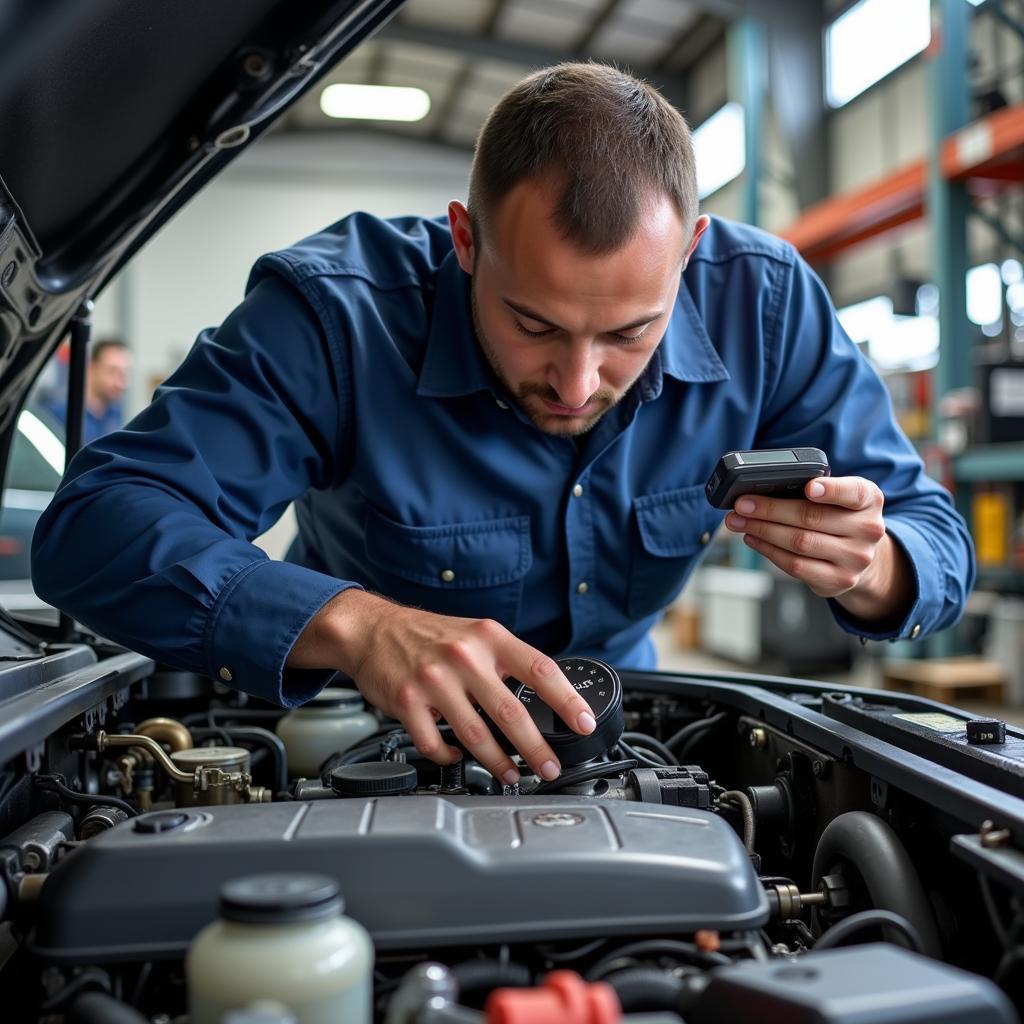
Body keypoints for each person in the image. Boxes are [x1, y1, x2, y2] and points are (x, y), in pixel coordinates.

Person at [32, 63, 974, 786]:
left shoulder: (765, 307)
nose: (575, 381)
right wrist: (356, 624)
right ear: (465, 240)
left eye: (628, 333)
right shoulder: (335, 317)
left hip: (622, 732)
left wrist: (872, 565)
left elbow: (934, 541)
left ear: (688, 255)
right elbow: (95, 523)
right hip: (357, 739)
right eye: (533, 324)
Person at [41, 338, 133, 443]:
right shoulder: (59, 414)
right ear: (91, 368)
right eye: (112, 371)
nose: (122, 383)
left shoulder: (115, 413)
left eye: (125, 372)